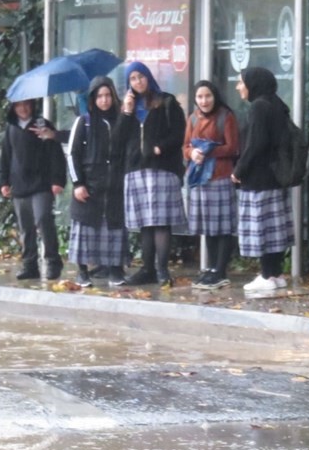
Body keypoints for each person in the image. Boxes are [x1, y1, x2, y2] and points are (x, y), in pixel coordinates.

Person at [116, 61, 188, 289]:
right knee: (145, 223)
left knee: (160, 221)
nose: (138, 82)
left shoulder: (166, 101)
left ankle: (162, 270)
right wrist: (126, 112)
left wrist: (160, 147)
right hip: (136, 169)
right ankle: (147, 269)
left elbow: (180, 133)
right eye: (133, 79)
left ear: (148, 77)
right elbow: (117, 139)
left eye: (141, 77)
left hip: (162, 168)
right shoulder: (128, 106)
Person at [230, 67, 294, 298]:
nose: (238, 87)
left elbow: (255, 144)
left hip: (259, 178)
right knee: (275, 227)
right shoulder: (276, 104)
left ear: (253, 84)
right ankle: (275, 273)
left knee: (264, 228)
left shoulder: (258, 107)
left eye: (241, 82)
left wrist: (239, 170)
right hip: (275, 177)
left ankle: (267, 275)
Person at [66, 76, 127, 288]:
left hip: (114, 188)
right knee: (85, 229)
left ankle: (115, 269)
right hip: (89, 186)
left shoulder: (120, 121)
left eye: (108, 95)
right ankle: (82, 272)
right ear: (93, 99)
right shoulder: (84, 122)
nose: (105, 100)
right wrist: (77, 184)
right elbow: (72, 155)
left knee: (114, 228)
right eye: (100, 96)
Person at [0, 98, 67, 281]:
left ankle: (53, 261)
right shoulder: (10, 128)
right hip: (19, 185)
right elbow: (6, 156)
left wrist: (58, 180)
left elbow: (55, 154)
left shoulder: (42, 124)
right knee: (25, 227)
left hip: (41, 184)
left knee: (43, 219)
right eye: (19, 105)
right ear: (13, 107)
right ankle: (30, 265)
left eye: (27, 104)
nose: (23, 108)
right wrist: (4, 182)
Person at [183, 80, 240, 290]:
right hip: (199, 178)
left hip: (220, 177)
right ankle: (211, 268)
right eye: (199, 97)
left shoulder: (226, 116)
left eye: (207, 96)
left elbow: (233, 147)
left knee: (222, 227)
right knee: (207, 226)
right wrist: (192, 153)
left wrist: (208, 150)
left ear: (214, 96)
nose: (204, 101)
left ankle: (220, 270)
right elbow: (185, 145)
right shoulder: (192, 118)